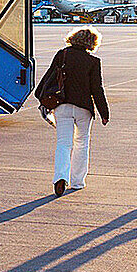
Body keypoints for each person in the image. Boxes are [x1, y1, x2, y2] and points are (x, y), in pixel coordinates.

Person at [38, 27, 109, 197]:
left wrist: (41, 97)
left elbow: (49, 77)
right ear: (92, 43)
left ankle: (60, 177)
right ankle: (77, 181)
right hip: (84, 108)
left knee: (64, 143)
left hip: (62, 106)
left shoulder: (62, 55)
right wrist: (104, 113)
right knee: (82, 143)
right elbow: (97, 89)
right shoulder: (93, 62)